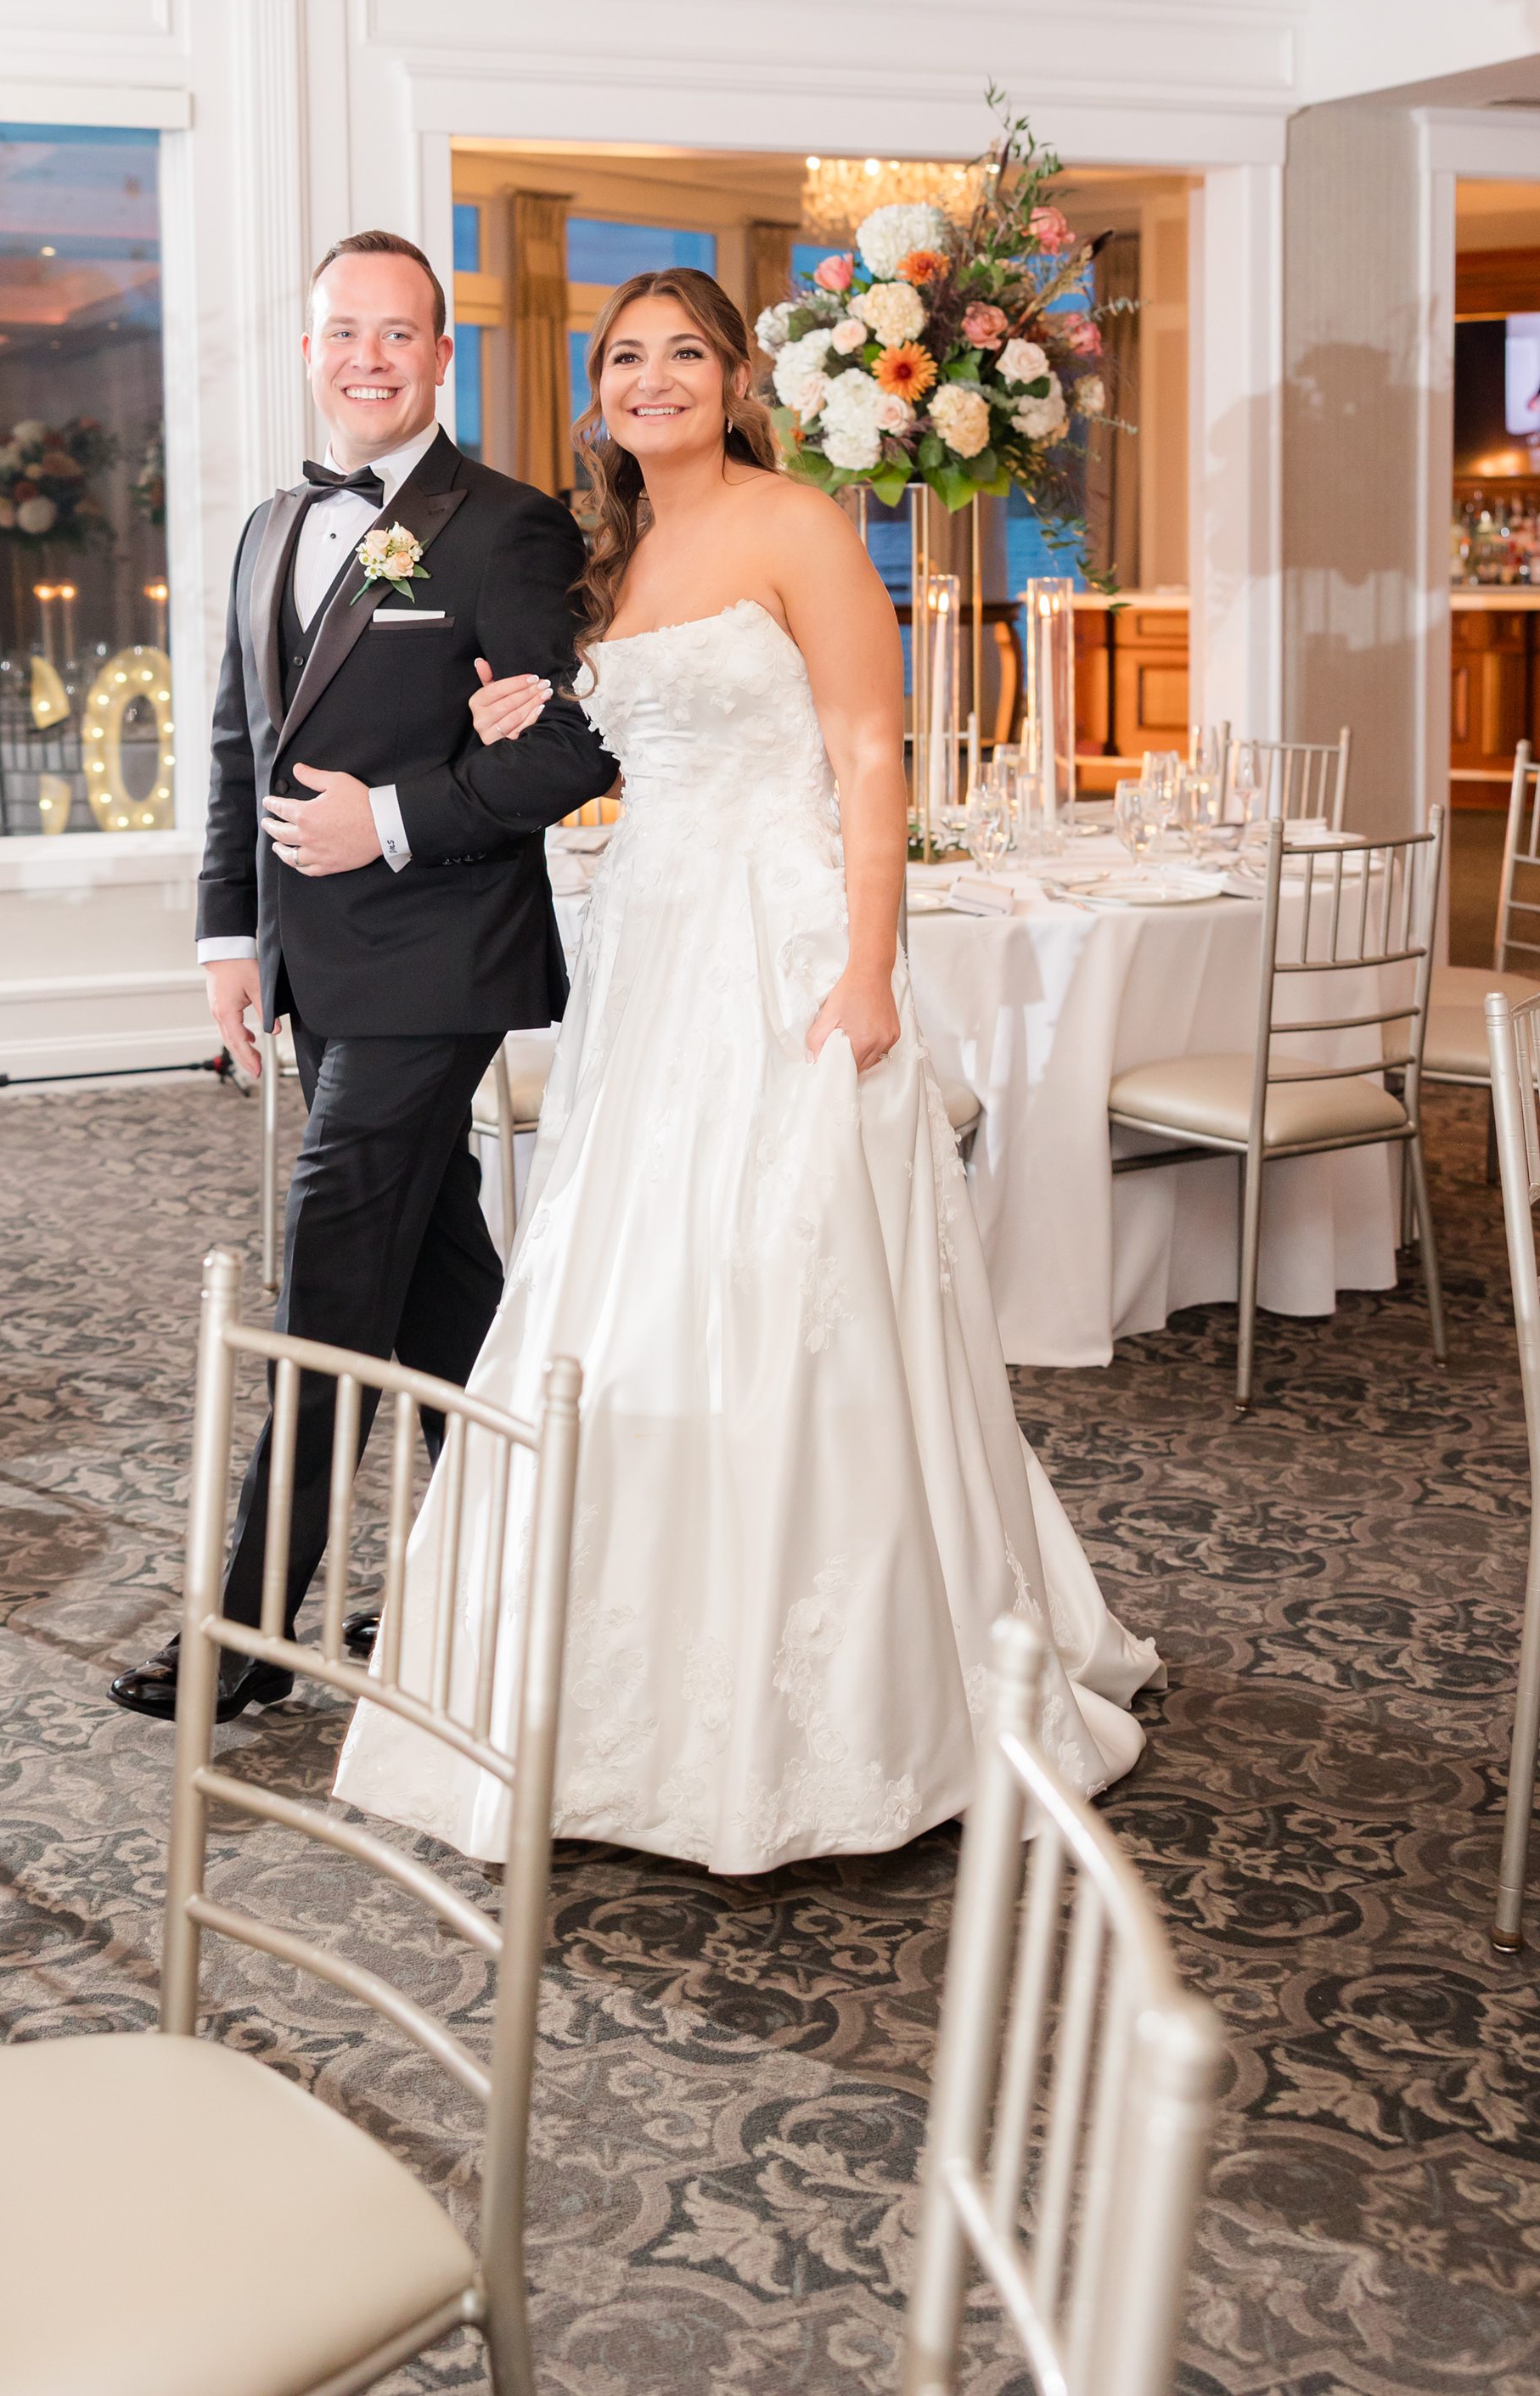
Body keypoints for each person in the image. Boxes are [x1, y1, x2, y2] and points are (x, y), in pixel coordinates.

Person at [334, 267, 1158, 1874]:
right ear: (599, 392)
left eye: (683, 355)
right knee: (627, 1280)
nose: (653, 381)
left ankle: (847, 1701)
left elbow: (866, 748)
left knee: (790, 1283)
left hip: (783, 949)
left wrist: (868, 969)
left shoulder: (798, 524)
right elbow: (601, 750)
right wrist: (527, 705)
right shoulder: (605, 558)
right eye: (625, 359)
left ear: (734, 377)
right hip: (652, 952)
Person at [110, 230, 618, 1726]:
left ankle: (253, 1632)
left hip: (440, 962)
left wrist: (389, 820)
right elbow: (232, 750)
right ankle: (528, 1550)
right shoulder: (272, 525)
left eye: (401, 335)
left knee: (328, 1281)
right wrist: (228, 942)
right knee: (440, 1274)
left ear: (441, 356)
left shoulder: (508, 529)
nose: (370, 359)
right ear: (312, 348)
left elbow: (574, 747)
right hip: (313, 972)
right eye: (345, 332)